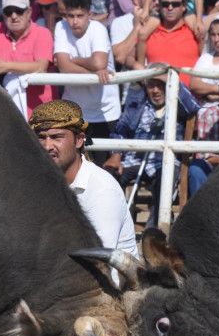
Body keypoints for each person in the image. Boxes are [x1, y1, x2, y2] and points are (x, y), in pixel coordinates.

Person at [28, 100, 137, 256]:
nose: (47, 146)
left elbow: (97, 259)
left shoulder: (102, 190)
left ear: (79, 140)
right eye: (41, 137)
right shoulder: (36, 184)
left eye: (56, 137)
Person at [103, 73, 200, 228]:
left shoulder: (178, 105)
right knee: (108, 176)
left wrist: (172, 81)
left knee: (164, 181)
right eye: (151, 85)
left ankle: (153, 231)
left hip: (165, 161)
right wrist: (116, 155)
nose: (155, 90)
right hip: (134, 159)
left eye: (160, 84)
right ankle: (112, 225)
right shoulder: (136, 104)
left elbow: (194, 106)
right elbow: (120, 130)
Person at [53, 0, 120, 163]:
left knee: (104, 167)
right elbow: (63, 66)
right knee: (75, 166)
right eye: (70, 15)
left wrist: (74, 60)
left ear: (89, 14)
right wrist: (92, 74)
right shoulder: (61, 27)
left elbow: (99, 63)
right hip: (75, 111)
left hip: (105, 111)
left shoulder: (98, 29)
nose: (74, 21)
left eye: (80, 15)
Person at [0, 0, 55, 118]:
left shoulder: (42, 33)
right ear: (3, 15)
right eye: (8, 12)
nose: (14, 16)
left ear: (29, 12)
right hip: (5, 111)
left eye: (19, 11)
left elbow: (41, 67)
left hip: (40, 111)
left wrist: (4, 66)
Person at [136, 0, 201, 84]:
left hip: (190, 97)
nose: (170, 8)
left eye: (175, 4)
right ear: (160, 6)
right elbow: (127, 57)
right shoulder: (148, 32)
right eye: (165, 4)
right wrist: (136, 65)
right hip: (157, 96)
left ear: (184, 6)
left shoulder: (195, 32)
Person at [110, 0, 150, 71]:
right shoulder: (120, 23)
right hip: (133, 81)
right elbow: (120, 57)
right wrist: (137, 27)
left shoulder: (165, 19)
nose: (157, 2)